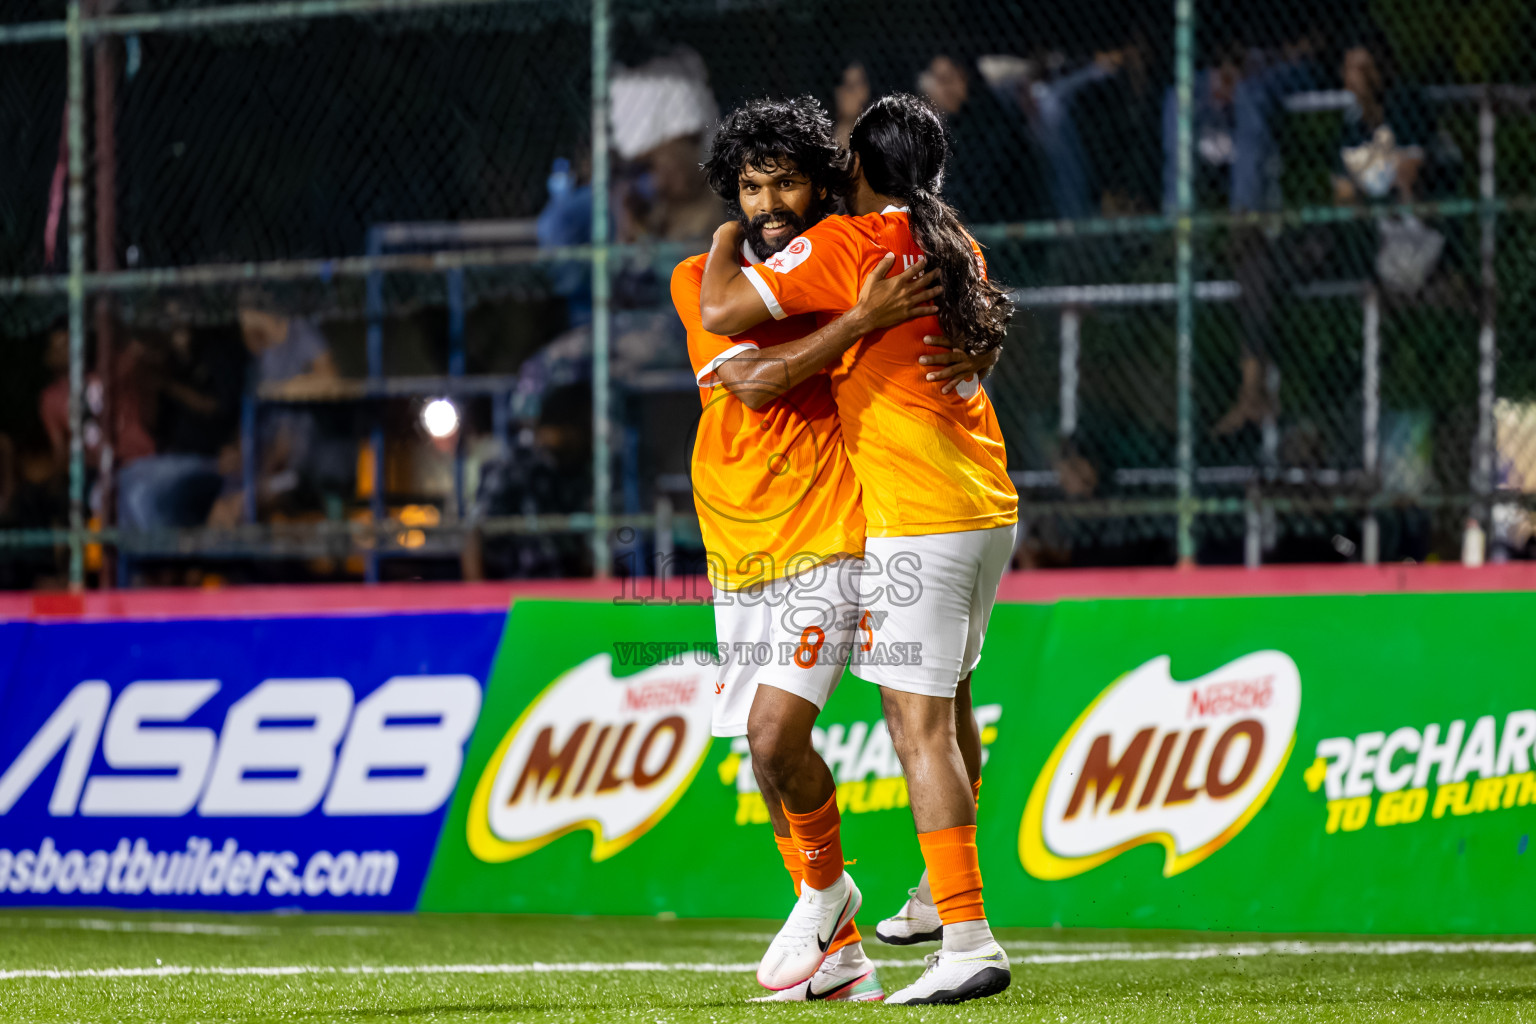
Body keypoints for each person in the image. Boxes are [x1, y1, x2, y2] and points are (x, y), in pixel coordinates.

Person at [675, 96, 997, 1004]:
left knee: (825, 730)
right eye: (749, 185)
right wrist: (854, 321)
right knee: (769, 752)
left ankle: (895, 906)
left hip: (849, 537)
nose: (767, 199)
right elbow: (754, 380)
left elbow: (775, 362)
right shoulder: (701, 277)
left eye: (785, 181)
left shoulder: (848, 252)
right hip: (744, 547)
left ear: (831, 180)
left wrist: (855, 316)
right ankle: (849, 948)